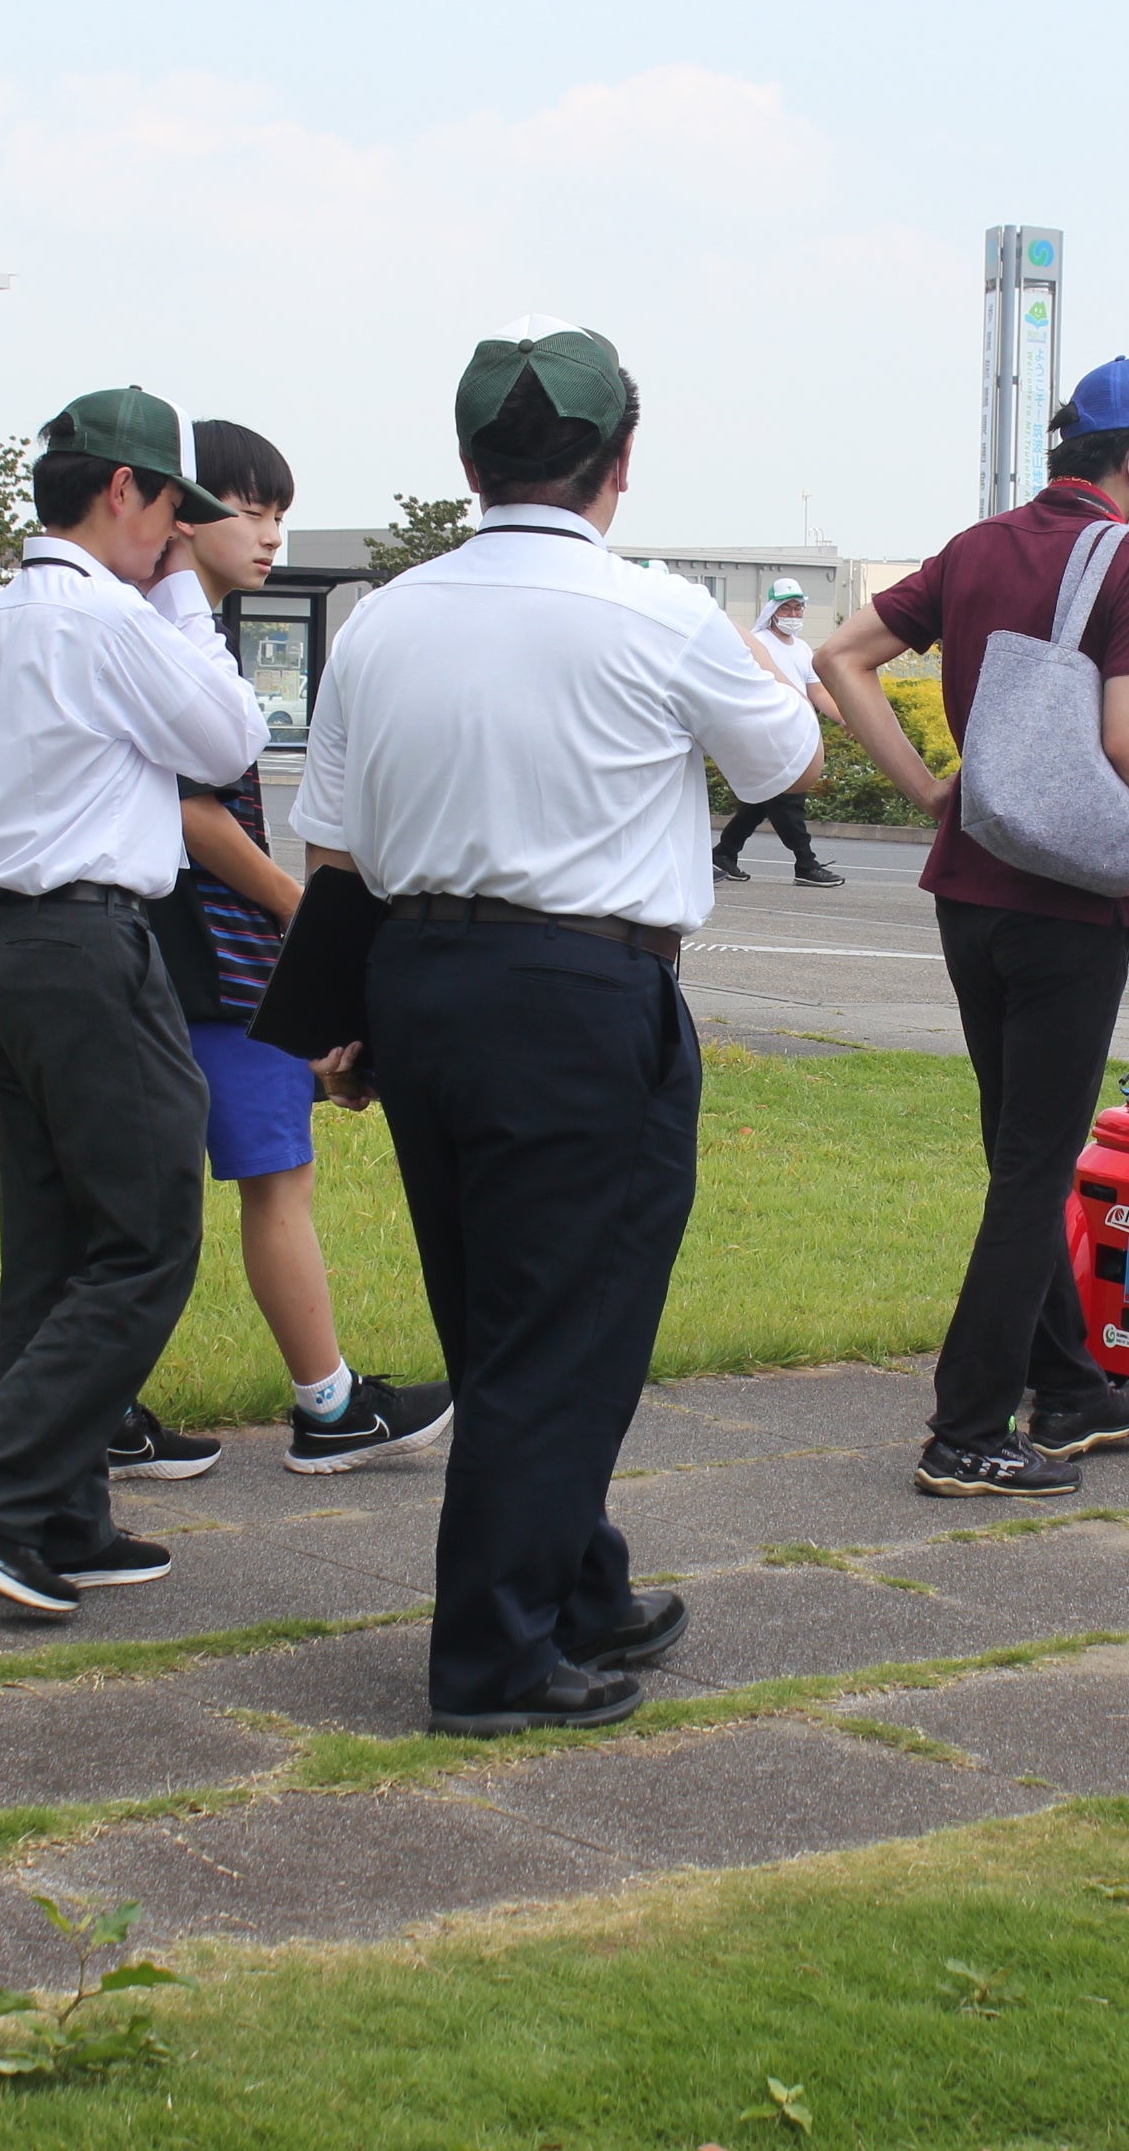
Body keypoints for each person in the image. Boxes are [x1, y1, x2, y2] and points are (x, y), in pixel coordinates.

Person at [288, 318, 822, 1735]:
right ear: (619, 463)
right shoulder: (655, 614)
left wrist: (333, 1017)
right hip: (579, 995)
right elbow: (789, 754)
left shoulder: (384, 616)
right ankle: (493, 1658)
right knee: (567, 1331)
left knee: (497, 1313)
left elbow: (333, 847)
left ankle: (578, 1587)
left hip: (419, 983)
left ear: (469, 462)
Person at [818, 355, 1129, 1501]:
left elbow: (838, 659)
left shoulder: (979, 546)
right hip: (1068, 906)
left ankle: (1070, 1385)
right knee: (1034, 1168)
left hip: (969, 891)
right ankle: (966, 1429)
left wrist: (926, 789)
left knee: (1020, 1150)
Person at [0, 388, 268, 1616]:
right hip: (92, 945)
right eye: (173, 510)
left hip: (8, 947)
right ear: (125, 491)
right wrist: (177, 605)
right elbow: (227, 742)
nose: (180, 538)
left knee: (51, 1246)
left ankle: (57, 1513)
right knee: (148, 1236)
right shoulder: (108, 618)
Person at [130, 418, 454, 1484]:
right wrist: (299, 919)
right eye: (252, 508)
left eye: (279, 512)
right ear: (183, 512)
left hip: (164, 960)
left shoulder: (160, 630)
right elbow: (197, 817)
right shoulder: (170, 638)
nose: (269, 533)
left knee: (130, 1195)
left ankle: (99, 1409)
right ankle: (329, 1407)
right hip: (209, 968)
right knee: (278, 1179)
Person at [712, 578, 847, 888]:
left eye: (798, 607)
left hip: (798, 733)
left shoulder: (801, 649)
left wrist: (844, 719)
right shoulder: (756, 642)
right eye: (787, 606)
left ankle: (724, 853)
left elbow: (816, 691)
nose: (794, 613)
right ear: (772, 609)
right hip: (768, 732)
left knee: (763, 800)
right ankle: (806, 863)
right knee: (788, 800)